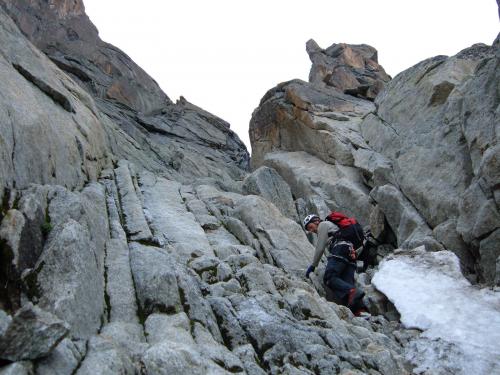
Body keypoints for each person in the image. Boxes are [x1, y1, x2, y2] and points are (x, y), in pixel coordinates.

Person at [303, 214, 367, 316]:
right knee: (346, 284)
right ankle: (360, 310)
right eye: (308, 230)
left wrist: (313, 265)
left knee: (329, 277)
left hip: (340, 249)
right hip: (351, 253)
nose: (311, 231)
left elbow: (320, 248)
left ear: (316, 221)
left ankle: (352, 292)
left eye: (310, 227)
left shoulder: (323, 225)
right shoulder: (335, 227)